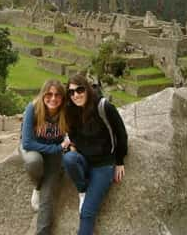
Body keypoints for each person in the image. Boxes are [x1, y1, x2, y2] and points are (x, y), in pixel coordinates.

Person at [63, 74, 128, 235]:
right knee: (69, 159)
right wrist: (72, 147)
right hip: (85, 161)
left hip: (103, 165)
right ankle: (82, 190)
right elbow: (73, 137)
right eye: (71, 92)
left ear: (87, 89)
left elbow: (121, 134)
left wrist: (119, 161)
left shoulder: (103, 106)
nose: (76, 95)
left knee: (86, 213)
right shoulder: (71, 111)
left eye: (79, 90)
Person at [20, 79, 71, 235]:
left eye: (57, 95)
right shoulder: (33, 108)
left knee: (47, 196)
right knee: (34, 161)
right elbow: (27, 142)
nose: (53, 98)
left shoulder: (66, 113)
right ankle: (37, 185)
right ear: (43, 95)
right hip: (33, 149)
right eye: (49, 94)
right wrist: (56, 148)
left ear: (62, 98)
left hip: (53, 155)